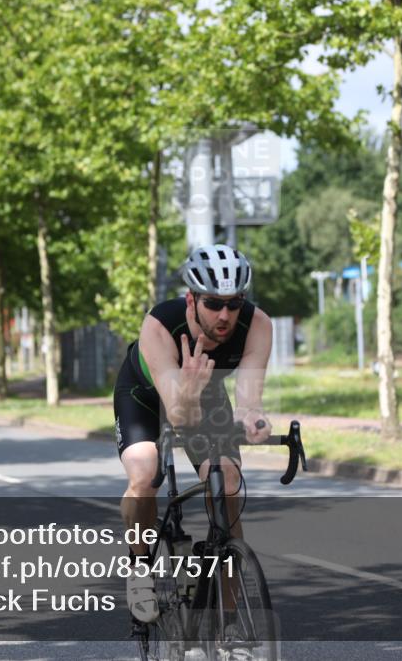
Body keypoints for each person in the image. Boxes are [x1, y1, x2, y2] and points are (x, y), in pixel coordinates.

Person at [113, 244, 273, 625]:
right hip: (146, 395)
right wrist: (187, 390)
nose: (225, 315)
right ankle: (139, 568)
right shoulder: (160, 327)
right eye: (214, 304)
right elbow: (180, 416)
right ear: (192, 298)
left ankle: (230, 621)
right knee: (145, 471)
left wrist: (253, 420)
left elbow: (249, 397)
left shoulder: (258, 325)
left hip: (206, 392)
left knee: (229, 481)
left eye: (234, 304)